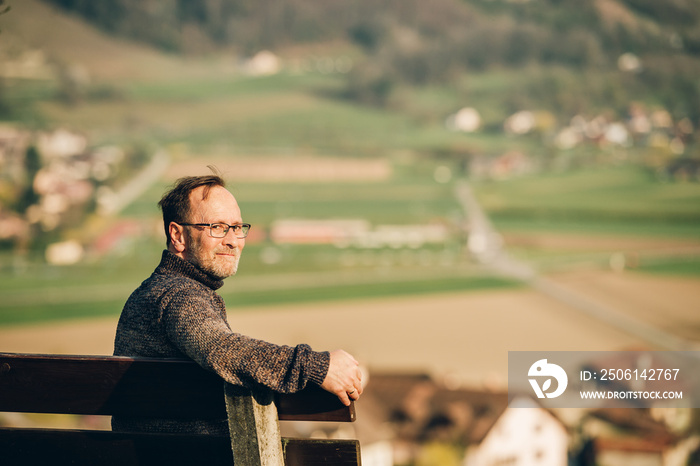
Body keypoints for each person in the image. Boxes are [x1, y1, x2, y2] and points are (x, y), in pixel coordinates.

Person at [112, 173, 362, 434]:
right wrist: (316, 367)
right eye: (217, 227)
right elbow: (222, 349)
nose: (233, 240)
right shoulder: (177, 295)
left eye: (237, 227)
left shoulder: (158, 290)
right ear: (178, 235)